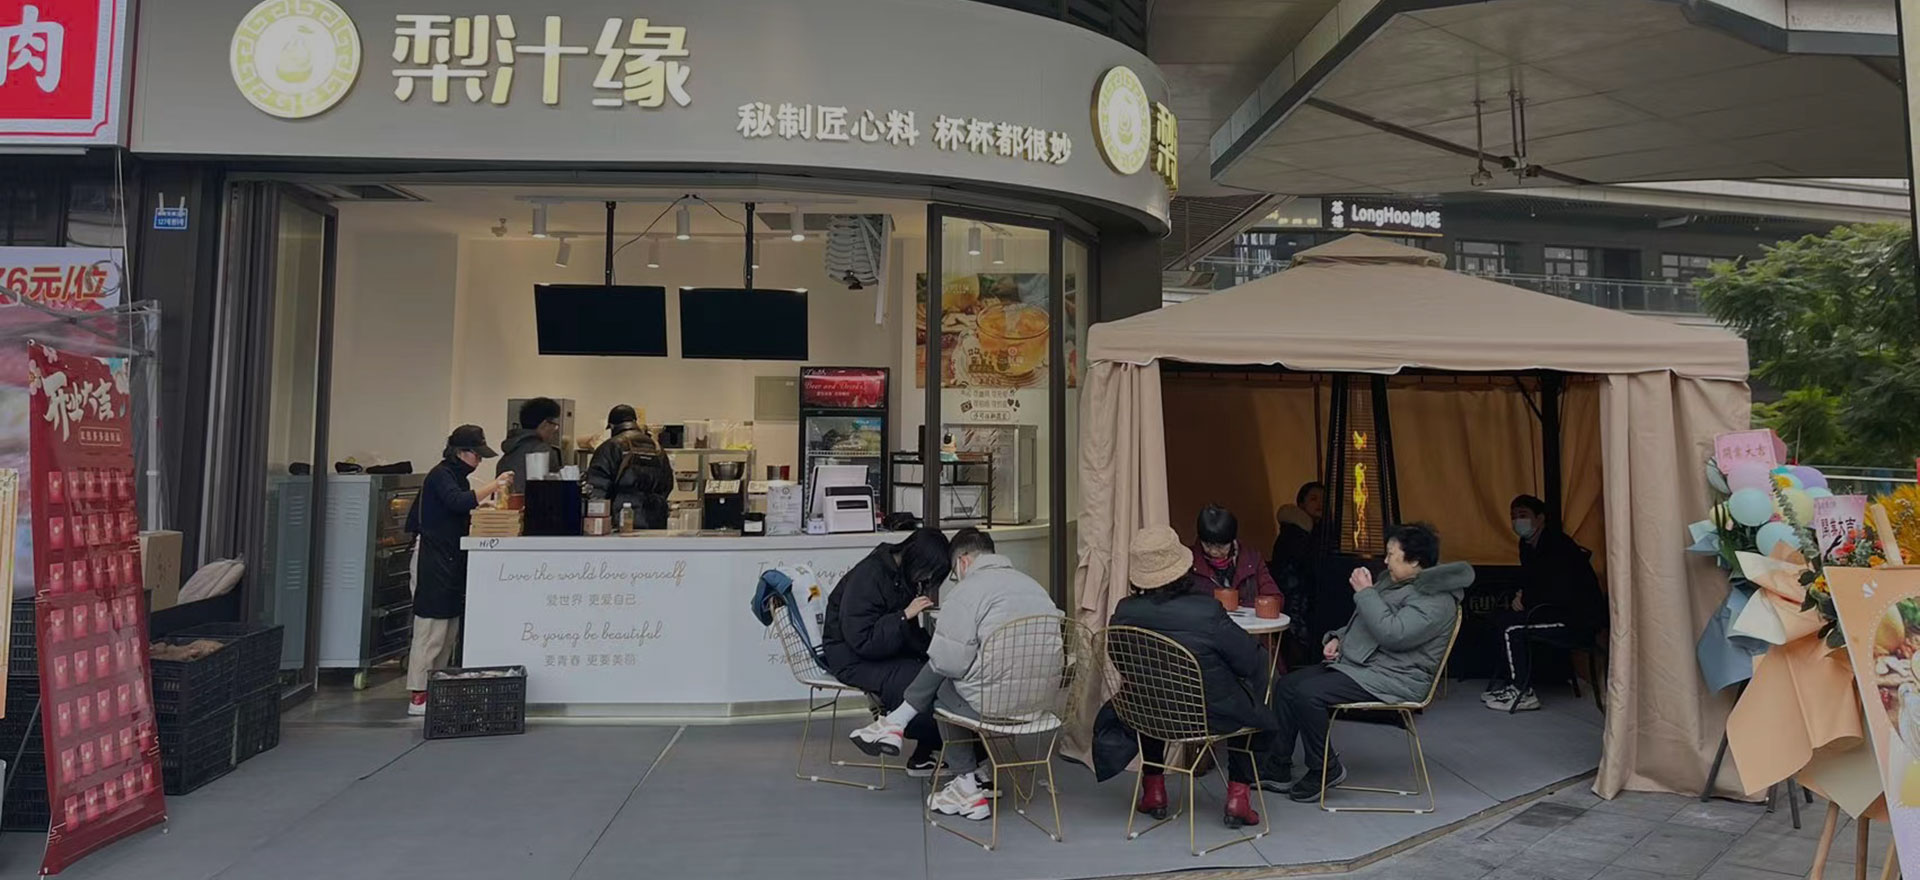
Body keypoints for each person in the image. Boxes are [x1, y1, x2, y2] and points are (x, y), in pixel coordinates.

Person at [848, 528, 1062, 821]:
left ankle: (962, 782)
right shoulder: (1033, 586)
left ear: (963, 562)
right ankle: (898, 726)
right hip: (1041, 702)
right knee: (954, 674)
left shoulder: (968, 592)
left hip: (994, 704)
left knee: (945, 685)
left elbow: (948, 662)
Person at [1261, 523, 1470, 802]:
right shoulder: (1396, 581)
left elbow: (1394, 633)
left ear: (1415, 561)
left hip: (1397, 676)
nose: (1385, 561)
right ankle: (1278, 766)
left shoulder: (1436, 599)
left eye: (1391, 555)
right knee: (1287, 685)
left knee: (1308, 694)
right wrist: (1338, 638)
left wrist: (1365, 592)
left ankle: (1324, 768)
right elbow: (1367, 624)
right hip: (1366, 665)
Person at [1111, 525, 1274, 830]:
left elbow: (1119, 659)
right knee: (1251, 686)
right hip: (1206, 715)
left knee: (1147, 687)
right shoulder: (1207, 611)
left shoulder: (1124, 611)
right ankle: (1238, 796)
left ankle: (1154, 790)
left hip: (1148, 714)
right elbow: (1249, 660)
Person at [821, 527, 953, 776]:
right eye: (929, 573)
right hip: (851, 657)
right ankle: (927, 745)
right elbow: (862, 639)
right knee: (918, 682)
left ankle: (924, 752)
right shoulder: (870, 576)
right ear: (918, 559)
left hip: (875, 651)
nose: (927, 580)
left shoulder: (899, 575)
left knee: (935, 670)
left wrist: (933, 651)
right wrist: (904, 616)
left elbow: (905, 633)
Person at [406, 425, 510, 716]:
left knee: (448, 628)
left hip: (449, 558)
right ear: (461, 452)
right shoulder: (440, 475)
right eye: (477, 455)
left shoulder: (458, 478)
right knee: (431, 628)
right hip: (431, 558)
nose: (480, 461)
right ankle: (418, 694)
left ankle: (435, 687)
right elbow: (457, 502)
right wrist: (495, 485)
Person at [1484, 495, 1606, 712]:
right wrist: (1520, 595)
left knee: (1512, 628)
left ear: (1540, 518)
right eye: (1513, 516)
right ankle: (1512, 683)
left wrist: (1526, 599)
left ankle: (1523, 692)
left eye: (1523, 515)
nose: (1517, 521)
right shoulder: (1527, 545)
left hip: (1574, 619)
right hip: (1549, 611)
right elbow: (1531, 579)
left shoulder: (1558, 545)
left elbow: (1559, 588)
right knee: (1502, 619)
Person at [586, 405, 674, 529]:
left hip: (621, 523)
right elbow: (667, 485)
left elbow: (597, 489)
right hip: (656, 522)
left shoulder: (610, 447)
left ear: (612, 426)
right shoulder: (656, 447)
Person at [1189, 505, 1281, 609]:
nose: (1214, 551)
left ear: (1232, 540)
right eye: (1207, 545)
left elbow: (1274, 597)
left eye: (1221, 547)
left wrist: (1246, 607)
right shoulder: (1188, 561)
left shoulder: (1252, 559)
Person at [497, 397, 562, 495]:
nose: (555, 429)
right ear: (545, 424)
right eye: (554, 425)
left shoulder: (509, 450)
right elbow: (552, 492)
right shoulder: (543, 451)